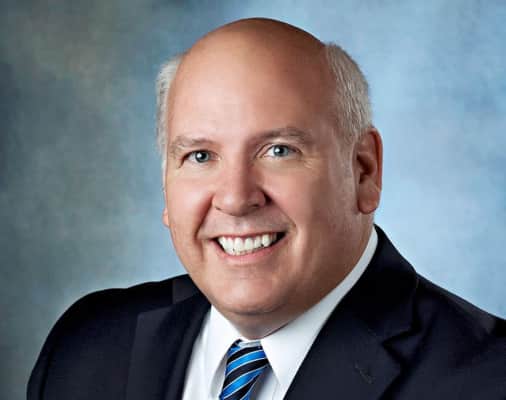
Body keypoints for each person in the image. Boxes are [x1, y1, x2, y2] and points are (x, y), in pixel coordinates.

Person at [28, 18, 505, 400]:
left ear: (364, 172)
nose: (236, 198)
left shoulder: (487, 379)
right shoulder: (87, 349)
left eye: (279, 151)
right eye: (200, 156)